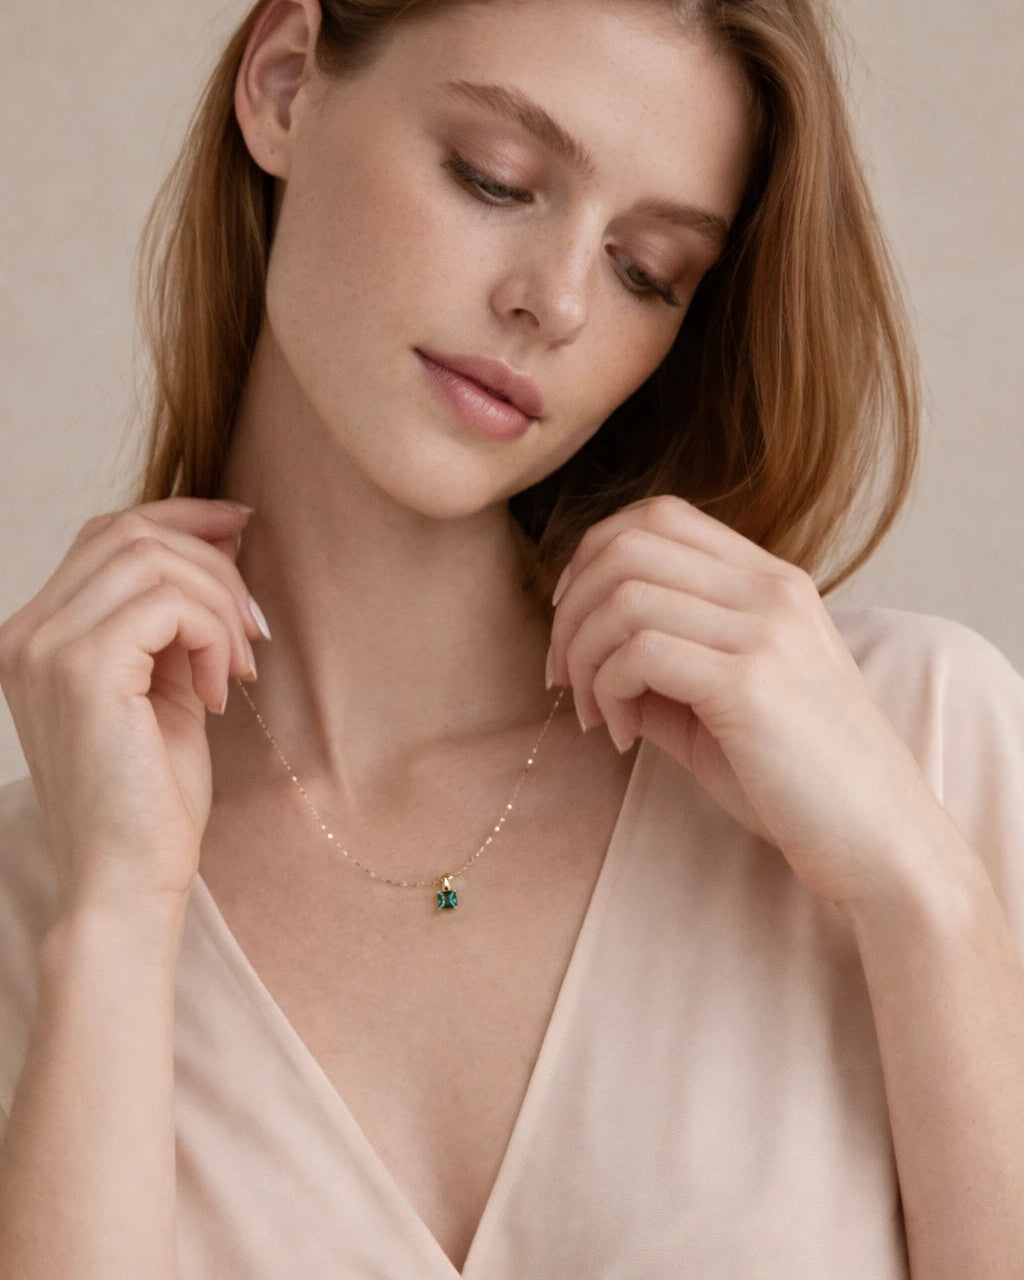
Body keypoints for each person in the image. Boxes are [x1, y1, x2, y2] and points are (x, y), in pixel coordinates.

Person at [0, 0, 1022, 1275]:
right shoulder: (41, 899)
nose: (556, 303)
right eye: (496, 180)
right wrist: (110, 921)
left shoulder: (915, 739)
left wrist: (923, 897)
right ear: (282, 83)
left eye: (646, 269)